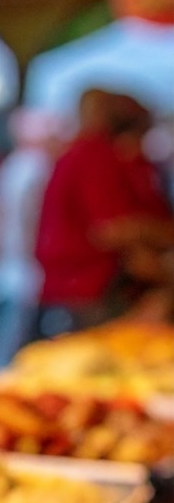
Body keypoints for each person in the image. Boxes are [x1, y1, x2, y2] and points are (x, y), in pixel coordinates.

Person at [35, 89, 174, 336]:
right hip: (88, 289)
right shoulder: (95, 154)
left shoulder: (81, 153)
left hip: (74, 289)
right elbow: (110, 229)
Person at [0, 106, 65, 371]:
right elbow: (32, 222)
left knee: (3, 343)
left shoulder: (14, 164)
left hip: (10, 267)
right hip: (24, 270)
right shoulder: (35, 168)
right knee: (11, 349)